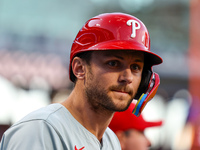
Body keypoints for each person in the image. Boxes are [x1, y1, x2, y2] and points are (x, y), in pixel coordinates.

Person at [0, 12, 163, 150]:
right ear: (79, 68)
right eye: (113, 63)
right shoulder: (40, 130)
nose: (127, 77)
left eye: (135, 67)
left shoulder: (111, 141)